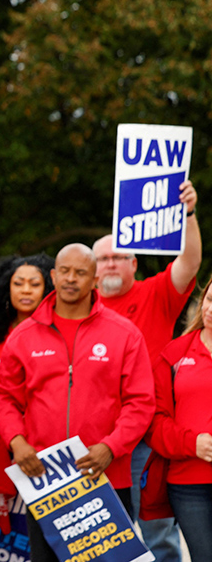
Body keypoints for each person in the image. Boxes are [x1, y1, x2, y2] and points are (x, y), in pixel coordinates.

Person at [0, 244, 155, 562]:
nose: (71, 279)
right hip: (45, 479)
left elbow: (140, 402)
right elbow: (5, 398)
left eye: (80, 273)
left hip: (106, 477)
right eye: (64, 271)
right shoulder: (24, 335)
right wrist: (17, 441)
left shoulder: (124, 334)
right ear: (53, 276)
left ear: (95, 280)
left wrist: (111, 447)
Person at [93, 180, 200, 562]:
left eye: (118, 257)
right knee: (98, 534)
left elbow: (189, 263)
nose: (110, 264)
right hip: (97, 435)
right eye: (103, 259)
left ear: (134, 264)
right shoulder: (81, 308)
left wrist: (187, 214)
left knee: (156, 530)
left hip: (148, 433)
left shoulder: (155, 292)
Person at [0, 254, 54, 533]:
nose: (26, 290)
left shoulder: (58, 335)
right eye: (19, 283)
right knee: (1, 541)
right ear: (7, 289)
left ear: (48, 289)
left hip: (45, 449)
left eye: (35, 283)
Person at [146, 275, 212, 560]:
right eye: (210, 300)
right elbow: (154, 422)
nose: (211, 310)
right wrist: (192, 444)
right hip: (189, 484)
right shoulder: (173, 354)